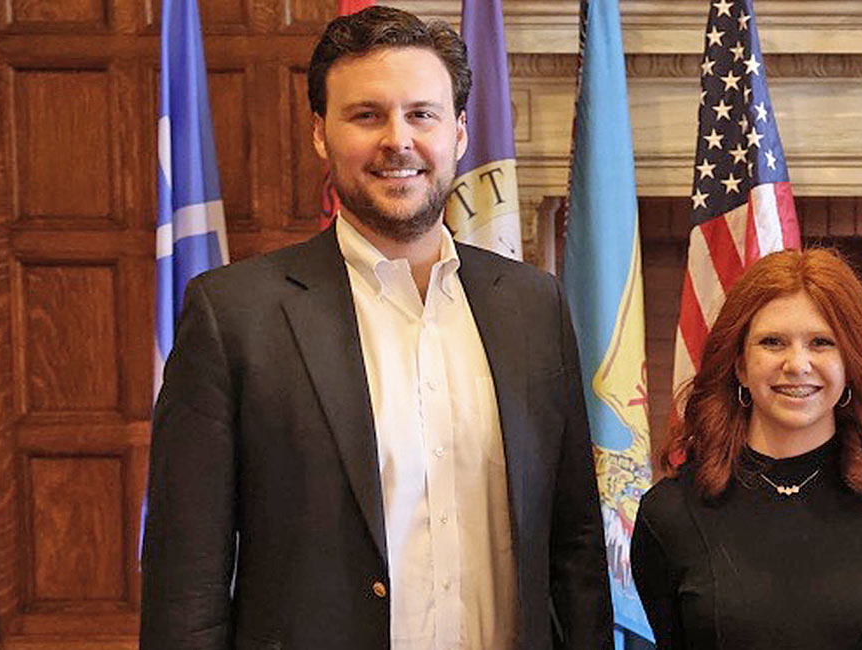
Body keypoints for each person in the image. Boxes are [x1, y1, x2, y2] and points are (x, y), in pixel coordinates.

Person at [140, 7, 611, 650]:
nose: (399, 140)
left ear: (460, 132)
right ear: (320, 133)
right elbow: (185, 583)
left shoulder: (534, 306)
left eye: (423, 113)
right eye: (367, 115)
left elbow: (575, 547)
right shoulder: (235, 317)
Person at [631, 249, 862, 650]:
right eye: (772, 342)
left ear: (851, 364)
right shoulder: (668, 512)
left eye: (821, 343)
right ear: (740, 364)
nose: (798, 364)